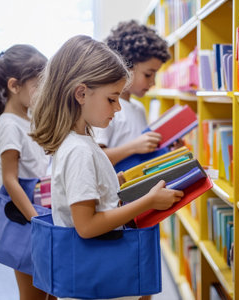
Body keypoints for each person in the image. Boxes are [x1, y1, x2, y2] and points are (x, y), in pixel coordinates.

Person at [30, 35, 184, 300]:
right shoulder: (78, 150)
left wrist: (117, 182)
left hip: (96, 277)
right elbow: (86, 226)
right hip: (94, 282)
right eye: (112, 99)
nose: (118, 107)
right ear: (81, 93)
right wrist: (148, 201)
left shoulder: (81, 140)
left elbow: (91, 196)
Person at [0, 45, 55, 300]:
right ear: (14, 86)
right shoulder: (10, 125)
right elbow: (10, 180)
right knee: (33, 293)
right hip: (25, 214)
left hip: (39, 205)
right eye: (38, 86)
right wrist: (36, 220)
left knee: (51, 287)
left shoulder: (28, 118)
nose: (43, 93)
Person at [94, 20, 176, 166]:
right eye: (148, 74)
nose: (153, 83)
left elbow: (142, 154)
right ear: (126, 66)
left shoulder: (138, 108)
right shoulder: (106, 107)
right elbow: (95, 160)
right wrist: (132, 147)